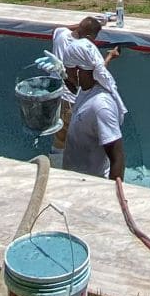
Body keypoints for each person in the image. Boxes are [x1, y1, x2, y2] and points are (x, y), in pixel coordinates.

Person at [60, 37, 126, 181]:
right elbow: (95, 69)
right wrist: (60, 72)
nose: (65, 71)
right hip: (74, 179)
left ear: (78, 70)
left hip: (90, 184)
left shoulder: (101, 107)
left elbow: (117, 158)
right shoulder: (85, 88)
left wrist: (109, 192)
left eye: (66, 68)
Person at [49, 16, 120, 149]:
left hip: (54, 95)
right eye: (94, 37)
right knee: (75, 138)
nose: (94, 40)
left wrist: (84, 25)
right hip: (71, 99)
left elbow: (56, 29)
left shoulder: (61, 35)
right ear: (88, 36)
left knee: (59, 136)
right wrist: (110, 56)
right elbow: (98, 73)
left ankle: (56, 158)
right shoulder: (85, 49)